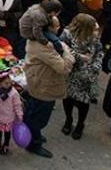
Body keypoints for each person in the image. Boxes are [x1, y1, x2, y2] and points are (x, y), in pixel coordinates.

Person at [22, 29, 75, 158]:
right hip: (44, 88)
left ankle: (32, 136)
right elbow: (64, 68)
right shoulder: (45, 46)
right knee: (38, 117)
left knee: (32, 113)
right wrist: (67, 52)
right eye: (55, 26)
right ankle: (34, 144)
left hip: (37, 82)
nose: (57, 29)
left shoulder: (35, 40)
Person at [59, 14, 103, 141]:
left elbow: (99, 52)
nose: (96, 31)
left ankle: (80, 124)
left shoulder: (94, 36)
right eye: (94, 28)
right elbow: (63, 49)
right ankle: (68, 120)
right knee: (68, 99)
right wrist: (80, 57)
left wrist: (95, 67)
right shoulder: (67, 35)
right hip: (70, 73)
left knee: (83, 102)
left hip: (86, 76)